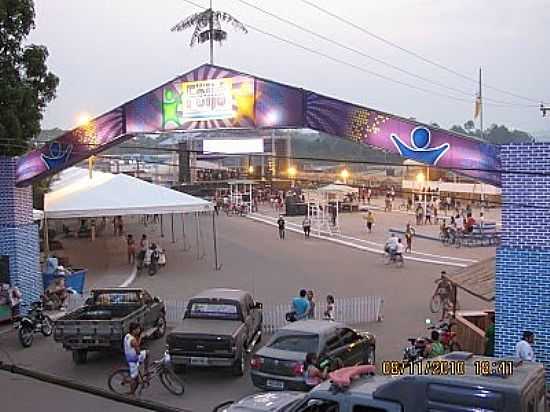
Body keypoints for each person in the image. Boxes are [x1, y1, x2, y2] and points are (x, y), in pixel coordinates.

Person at [124, 322, 149, 395]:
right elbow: (138, 352)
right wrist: (140, 337)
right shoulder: (133, 340)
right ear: (133, 330)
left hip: (128, 355)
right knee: (134, 377)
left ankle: (146, 371)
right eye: (138, 329)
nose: (139, 330)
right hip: (133, 360)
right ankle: (131, 393)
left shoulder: (127, 336)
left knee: (147, 353)